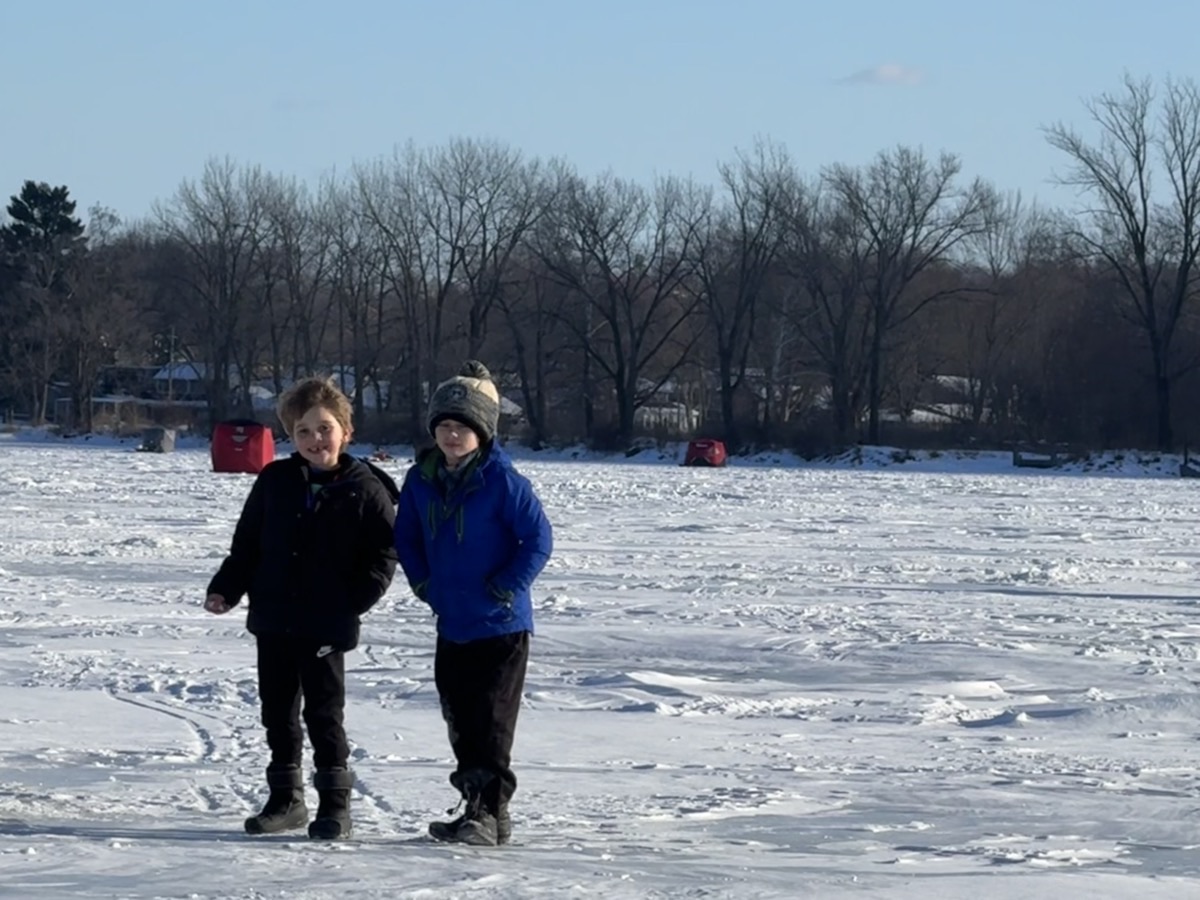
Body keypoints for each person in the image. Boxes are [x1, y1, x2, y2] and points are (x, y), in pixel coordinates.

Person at [205, 377, 398, 840]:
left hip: (327, 622)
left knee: (324, 714)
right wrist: (226, 589)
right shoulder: (276, 481)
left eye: (325, 429)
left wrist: (353, 602)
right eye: (304, 432)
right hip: (273, 616)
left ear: (346, 431)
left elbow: (384, 556)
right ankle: (286, 799)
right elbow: (247, 545)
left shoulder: (365, 488)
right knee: (278, 712)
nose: (316, 440)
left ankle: (335, 804)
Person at [394, 360, 553, 846]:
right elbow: (407, 539)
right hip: (453, 621)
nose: (450, 436)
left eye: (461, 427)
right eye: (443, 426)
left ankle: (489, 811)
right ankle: (477, 809)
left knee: (491, 721)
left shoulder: (504, 482)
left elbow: (538, 541)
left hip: (500, 626)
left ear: (481, 433)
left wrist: (505, 587)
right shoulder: (422, 481)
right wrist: (424, 585)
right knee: (460, 720)